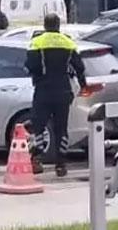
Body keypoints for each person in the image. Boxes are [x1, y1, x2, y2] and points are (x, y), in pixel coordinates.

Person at [24, 13, 87, 177]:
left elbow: (31, 65)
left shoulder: (37, 42)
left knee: (38, 125)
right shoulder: (68, 42)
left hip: (44, 90)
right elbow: (80, 68)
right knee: (61, 128)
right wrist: (83, 85)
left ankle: (36, 159)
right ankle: (61, 165)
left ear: (45, 25)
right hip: (63, 90)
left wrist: (38, 75)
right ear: (58, 26)